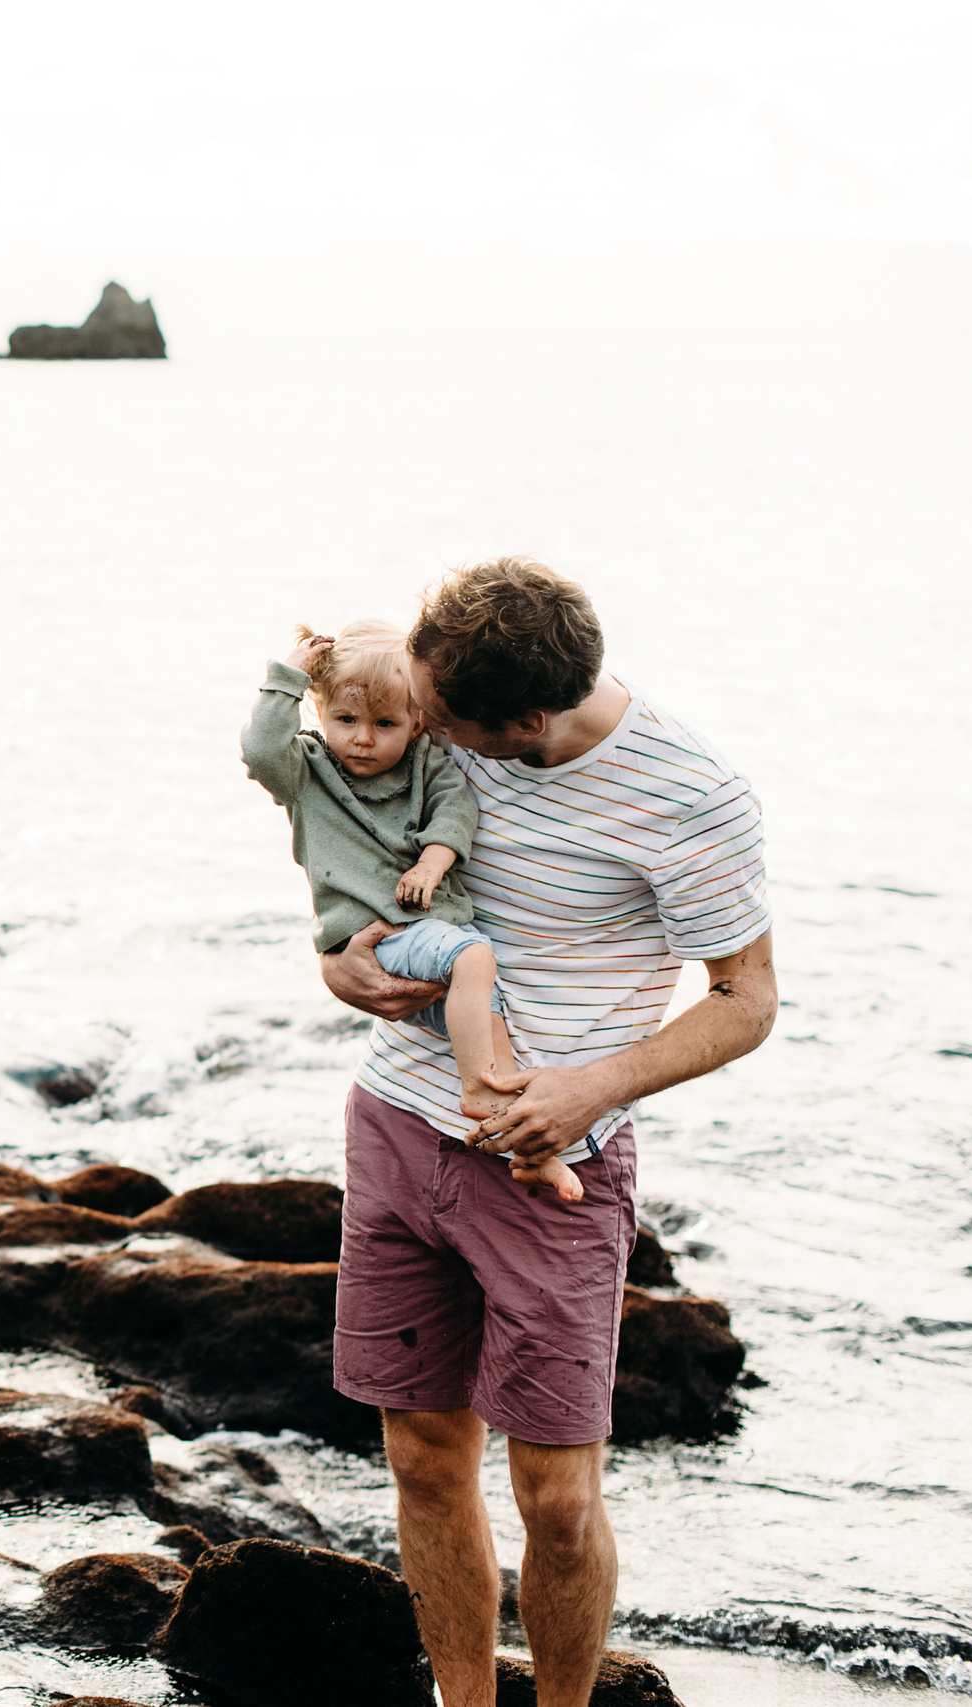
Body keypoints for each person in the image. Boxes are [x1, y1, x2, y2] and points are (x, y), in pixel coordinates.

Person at [318, 558, 776, 1707]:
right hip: (395, 1125)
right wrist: (342, 963)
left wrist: (590, 1089)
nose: (418, 731)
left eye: (444, 720)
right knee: (424, 1464)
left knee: (559, 1507)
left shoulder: (692, 795)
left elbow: (746, 1000)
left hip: (551, 1169)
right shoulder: (433, 718)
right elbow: (352, 858)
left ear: (524, 721)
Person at [239, 618, 583, 1203]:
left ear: (417, 721)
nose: (363, 739)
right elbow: (259, 748)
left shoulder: (426, 764)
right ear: (319, 711)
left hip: (426, 928)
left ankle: (530, 1146)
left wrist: (431, 865)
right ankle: (477, 1089)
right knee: (474, 956)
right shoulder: (306, 770)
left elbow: (455, 813)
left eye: (384, 723)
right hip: (376, 932)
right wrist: (288, 676)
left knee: (494, 1030)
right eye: (345, 720)